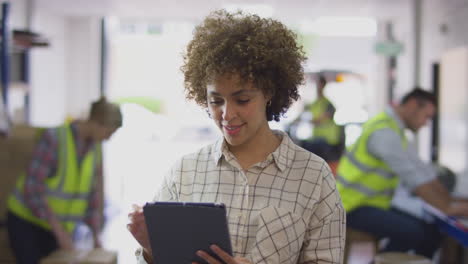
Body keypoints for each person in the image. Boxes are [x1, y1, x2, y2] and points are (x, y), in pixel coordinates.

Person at [127, 10, 345, 264]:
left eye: (242, 100)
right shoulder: (184, 173)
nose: (227, 114)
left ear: (269, 93)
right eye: (216, 100)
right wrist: (152, 249)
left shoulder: (313, 177)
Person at [336, 88, 468, 258]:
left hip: (372, 203)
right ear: (413, 105)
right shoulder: (384, 133)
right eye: (426, 117)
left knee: (431, 233)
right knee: (415, 234)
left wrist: (450, 201)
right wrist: (447, 207)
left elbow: (422, 171)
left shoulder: (394, 129)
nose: (425, 123)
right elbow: (414, 178)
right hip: (353, 206)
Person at [6, 97, 122, 264]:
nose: (108, 138)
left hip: (54, 228)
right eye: (109, 133)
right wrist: (59, 231)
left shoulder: (95, 149)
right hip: (27, 222)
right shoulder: (55, 139)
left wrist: (96, 236)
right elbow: (32, 188)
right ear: (97, 123)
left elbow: (93, 196)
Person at [296, 74, 343, 162]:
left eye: (318, 84)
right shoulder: (314, 103)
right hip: (317, 138)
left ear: (323, 85)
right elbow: (301, 115)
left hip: (328, 140)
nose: (317, 86)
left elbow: (319, 120)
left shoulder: (328, 104)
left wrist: (308, 121)